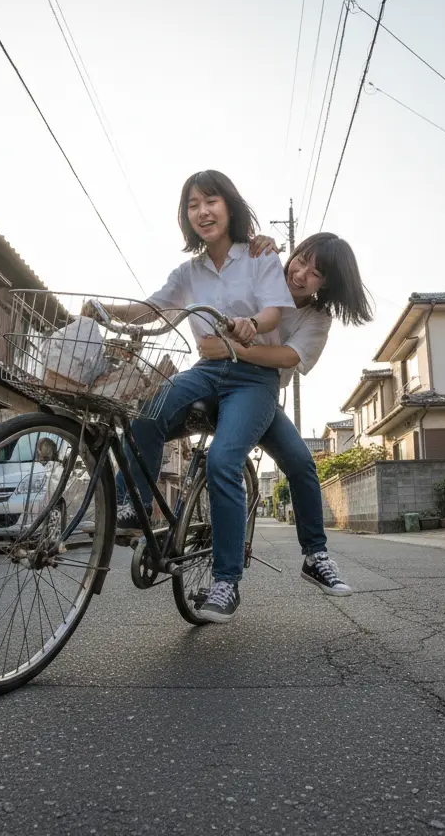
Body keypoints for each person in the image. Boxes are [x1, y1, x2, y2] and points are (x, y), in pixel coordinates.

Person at [105, 170, 295, 623]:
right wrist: (107, 308)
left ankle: (226, 581)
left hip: (253, 376)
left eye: (210, 201)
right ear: (186, 217)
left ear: (229, 206)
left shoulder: (260, 256)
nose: (202, 211)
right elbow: (153, 307)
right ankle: (133, 506)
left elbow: (273, 309)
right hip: (207, 369)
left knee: (223, 460)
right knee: (144, 409)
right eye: (193, 205)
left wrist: (253, 324)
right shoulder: (189, 271)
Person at [196, 232, 373, 597]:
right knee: (153, 415)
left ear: (328, 285)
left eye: (316, 272)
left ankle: (315, 555)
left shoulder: (317, 319)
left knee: (301, 464)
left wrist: (233, 348)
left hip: (259, 394)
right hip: (214, 374)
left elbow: (287, 359)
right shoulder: (265, 267)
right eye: (302, 260)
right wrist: (256, 241)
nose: (301, 273)